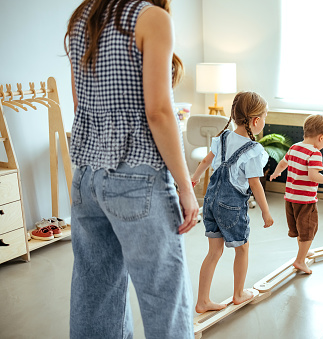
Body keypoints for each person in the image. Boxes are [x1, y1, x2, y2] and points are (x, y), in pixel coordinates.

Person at [65, 1, 199, 338]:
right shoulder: (151, 18)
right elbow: (158, 112)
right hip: (138, 178)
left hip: (86, 176)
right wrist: (186, 185)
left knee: (94, 291)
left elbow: (80, 105)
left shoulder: (83, 17)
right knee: (163, 293)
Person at [191, 91, 274, 313]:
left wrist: (196, 176)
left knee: (214, 252)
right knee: (242, 249)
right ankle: (239, 294)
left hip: (210, 202)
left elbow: (207, 160)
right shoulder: (253, 150)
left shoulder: (223, 137)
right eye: (264, 117)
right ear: (256, 121)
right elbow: (255, 185)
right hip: (231, 207)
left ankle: (202, 301)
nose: (264, 122)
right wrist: (266, 212)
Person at [269, 113, 323, 274]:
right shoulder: (315, 154)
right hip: (306, 200)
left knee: (301, 228)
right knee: (308, 229)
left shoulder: (294, 147)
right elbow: (313, 176)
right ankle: (300, 261)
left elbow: (282, 163)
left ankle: (303, 252)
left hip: (291, 198)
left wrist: (276, 173)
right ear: (321, 137)